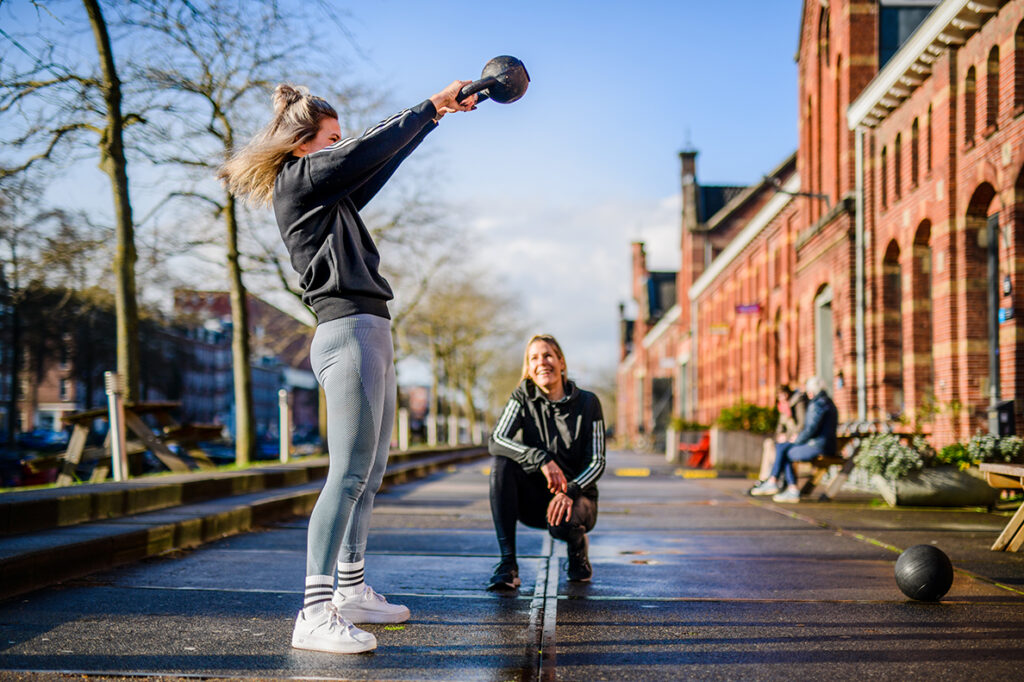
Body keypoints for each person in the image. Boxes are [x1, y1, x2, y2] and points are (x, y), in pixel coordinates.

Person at [219, 80, 477, 654]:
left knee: (370, 473)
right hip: (349, 331)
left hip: (372, 329)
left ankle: (351, 590)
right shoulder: (300, 180)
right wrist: (429, 104)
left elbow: (371, 164)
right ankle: (313, 612)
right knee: (348, 475)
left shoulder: (327, 193)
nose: (342, 148)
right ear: (303, 145)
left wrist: (432, 123)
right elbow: (363, 154)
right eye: (332, 139)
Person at [487, 334, 607, 590]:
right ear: (529, 369)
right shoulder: (522, 397)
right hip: (535, 501)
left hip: (578, 499)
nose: (542, 362)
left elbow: (597, 462)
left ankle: (577, 548)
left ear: (561, 362)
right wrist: (540, 459)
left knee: (563, 524)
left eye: (548, 355)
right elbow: (496, 439)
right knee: (501, 464)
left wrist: (570, 490)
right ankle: (507, 564)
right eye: (534, 358)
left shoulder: (589, 403)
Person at [749, 376, 837, 503]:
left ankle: (786, 486)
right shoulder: (826, 401)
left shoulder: (817, 404)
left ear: (812, 391)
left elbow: (810, 428)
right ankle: (776, 482)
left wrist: (796, 441)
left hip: (818, 446)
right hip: (823, 444)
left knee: (786, 451)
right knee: (783, 448)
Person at [752, 384, 809, 485]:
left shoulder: (798, 403)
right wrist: (778, 437)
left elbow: (802, 424)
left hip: (796, 438)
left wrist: (786, 437)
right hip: (786, 438)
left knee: (781, 449)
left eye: (783, 395)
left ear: (788, 394)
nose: (782, 398)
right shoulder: (783, 407)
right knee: (769, 443)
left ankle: (775, 479)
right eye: (779, 396)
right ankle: (765, 478)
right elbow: (780, 427)